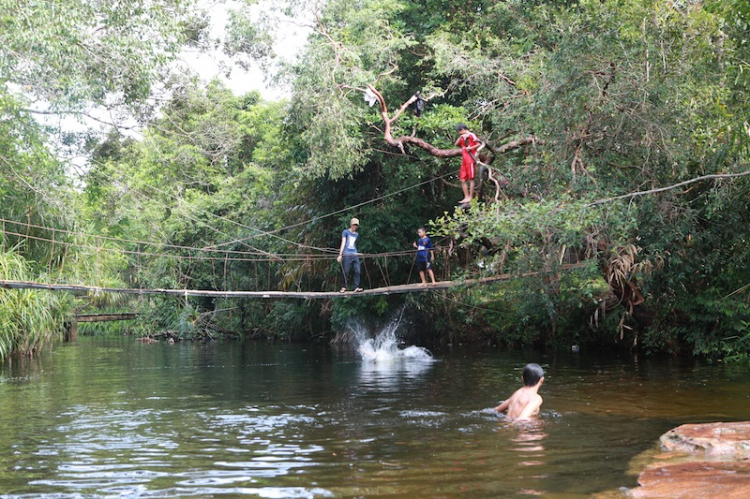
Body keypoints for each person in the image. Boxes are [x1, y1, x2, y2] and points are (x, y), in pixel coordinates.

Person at [454, 123, 483, 204]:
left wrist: (470, 148)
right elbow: (456, 144)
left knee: (471, 178)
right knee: (462, 179)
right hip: (464, 160)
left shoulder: (472, 135)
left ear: (463, 129)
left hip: (470, 159)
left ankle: (470, 197)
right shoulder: (463, 137)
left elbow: (479, 144)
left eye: (460, 132)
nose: (460, 133)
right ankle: (466, 196)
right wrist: (461, 137)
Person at [337, 218, 363, 293]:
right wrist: (340, 255)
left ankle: (356, 287)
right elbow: (343, 243)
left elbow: (353, 244)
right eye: (354, 225)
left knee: (357, 270)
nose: (355, 226)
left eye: (356, 225)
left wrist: (357, 253)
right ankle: (343, 287)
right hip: (347, 254)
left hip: (354, 254)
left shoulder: (356, 234)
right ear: (351, 225)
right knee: (346, 271)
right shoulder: (345, 232)